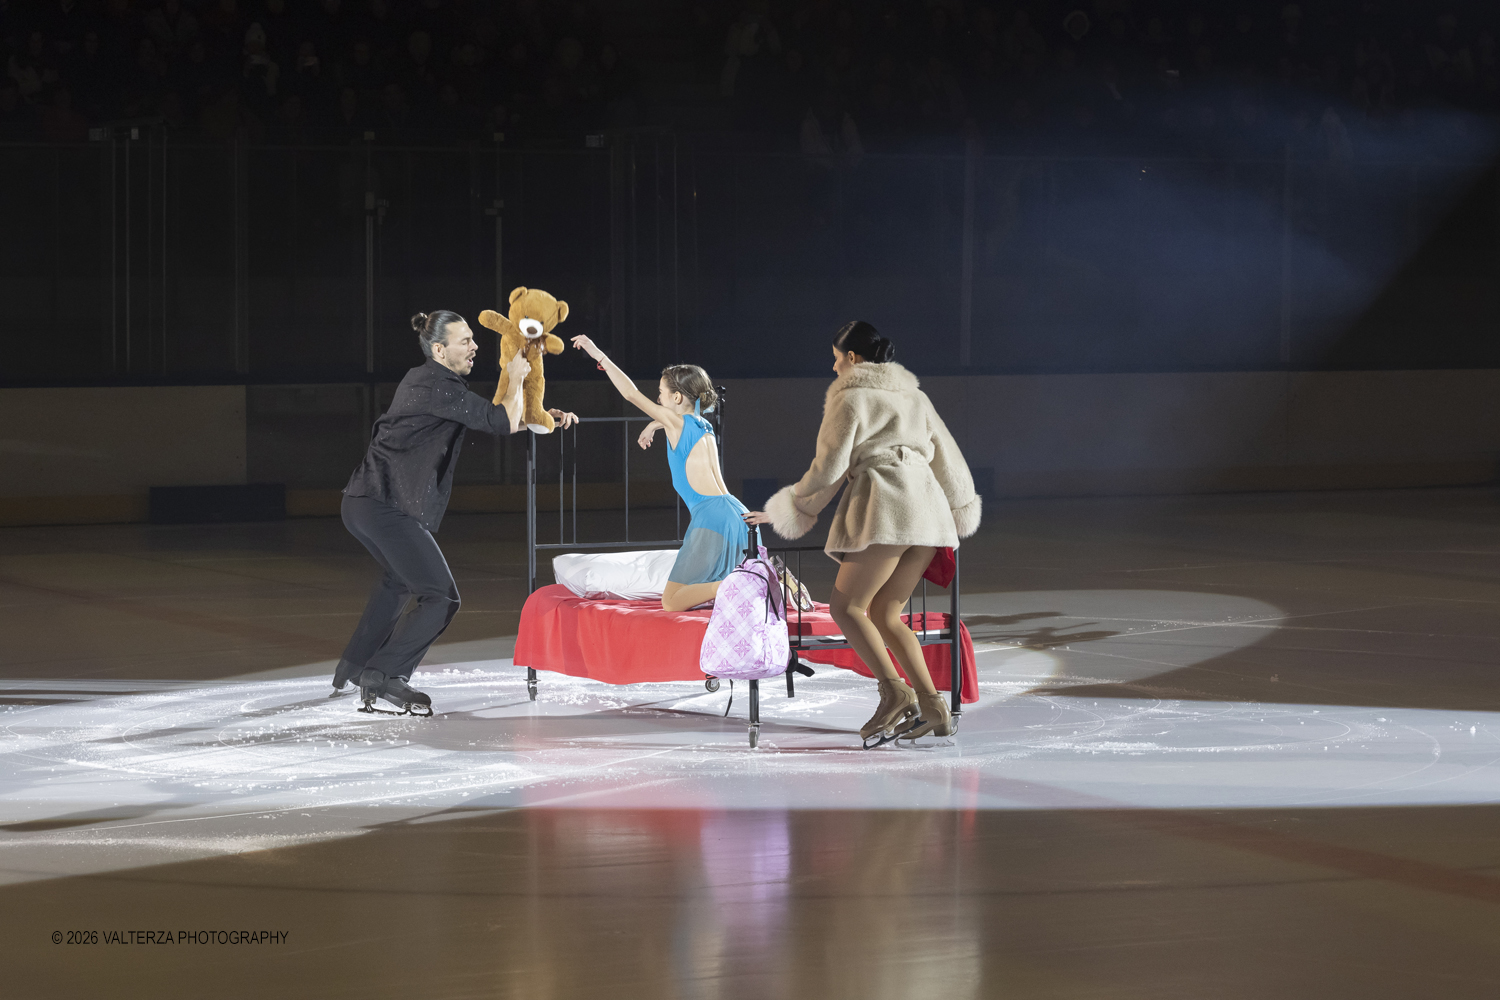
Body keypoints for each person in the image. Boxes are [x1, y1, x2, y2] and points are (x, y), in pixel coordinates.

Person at [745, 321, 981, 745]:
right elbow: (949, 460)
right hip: (929, 512)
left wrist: (792, 507)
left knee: (847, 607)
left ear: (852, 358)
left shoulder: (850, 398)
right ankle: (934, 708)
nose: (834, 368)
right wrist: (960, 508)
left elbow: (828, 468)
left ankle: (896, 693)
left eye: (837, 359)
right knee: (887, 613)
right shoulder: (916, 396)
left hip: (889, 507)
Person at [334, 310, 578, 714]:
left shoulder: (431, 381)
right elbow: (499, 421)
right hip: (383, 503)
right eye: (465, 341)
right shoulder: (438, 384)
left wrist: (541, 419)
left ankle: (358, 663)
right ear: (439, 349)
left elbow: (497, 420)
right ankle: (385, 674)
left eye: (472, 339)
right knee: (441, 597)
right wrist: (517, 376)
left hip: (365, 501)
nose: (475, 346)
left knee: (398, 581)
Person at [569, 334, 749, 613]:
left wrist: (598, 355)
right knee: (724, 586)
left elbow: (630, 394)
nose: (657, 398)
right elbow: (677, 423)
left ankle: (729, 583)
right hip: (737, 513)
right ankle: (769, 579)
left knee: (672, 600)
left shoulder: (675, 422)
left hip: (710, 517)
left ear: (676, 397)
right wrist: (653, 426)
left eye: (661, 394)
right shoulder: (703, 424)